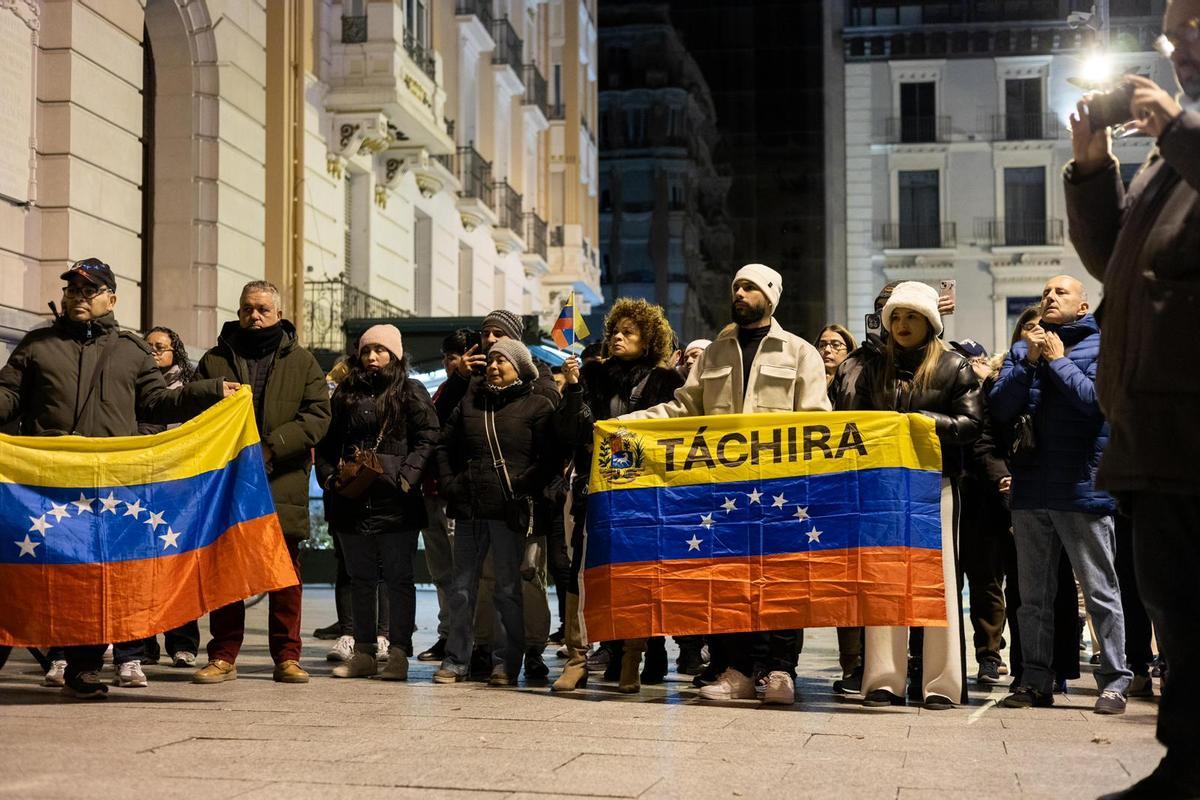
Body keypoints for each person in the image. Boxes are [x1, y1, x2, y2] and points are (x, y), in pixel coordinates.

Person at [1066, 5, 1200, 790]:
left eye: (1195, 19)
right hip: (1151, 422)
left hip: (1190, 418)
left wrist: (1176, 126)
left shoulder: (1183, 135)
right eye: (1171, 25)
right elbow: (1114, 256)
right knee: (1177, 610)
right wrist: (1090, 167)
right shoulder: (1169, 152)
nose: (1176, 37)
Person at [0, 258, 234, 699]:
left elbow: (158, 404)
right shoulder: (37, 345)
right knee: (25, 570)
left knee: (91, 577)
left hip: (105, 486)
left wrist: (209, 392)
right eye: (72, 290)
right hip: (43, 484)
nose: (77, 297)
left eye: (88, 291)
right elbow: (9, 395)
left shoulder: (132, 349)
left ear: (111, 297)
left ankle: (84, 668)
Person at [621, 263, 831, 706]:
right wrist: (626, 425)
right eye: (736, 285)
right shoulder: (715, 352)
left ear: (771, 295)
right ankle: (733, 670)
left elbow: (816, 422)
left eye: (749, 286)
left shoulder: (800, 353)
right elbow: (683, 409)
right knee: (727, 581)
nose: (739, 292)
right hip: (724, 493)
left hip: (780, 491)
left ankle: (779, 671)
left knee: (782, 581)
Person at [988, 276, 1131, 716]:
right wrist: (1030, 362)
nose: (1049, 297)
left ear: (1083, 308)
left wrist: (1056, 362)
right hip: (1032, 490)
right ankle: (1035, 679)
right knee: (1033, 597)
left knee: (1100, 591)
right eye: (1046, 293)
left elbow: (1095, 402)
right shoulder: (1023, 350)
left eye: (1060, 293)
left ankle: (1114, 680)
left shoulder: (1104, 349)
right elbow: (997, 408)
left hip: (1081, 489)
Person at [851, 281, 982, 711]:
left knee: (941, 585)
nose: (902, 325)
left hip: (937, 486)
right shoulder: (874, 368)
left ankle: (941, 685)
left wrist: (923, 421)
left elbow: (970, 426)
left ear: (929, 320)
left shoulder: (954, 366)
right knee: (885, 585)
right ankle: (884, 681)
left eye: (911, 316)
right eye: (896, 317)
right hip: (886, 489)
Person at [193, 281, 331, 685]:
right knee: (227, 572)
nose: (255, 316)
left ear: (278, 313)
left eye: (263, 309)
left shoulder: (303, 362)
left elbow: (318, 416)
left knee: (284, 574)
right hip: (228, 482)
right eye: (248, 309)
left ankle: (287, 657)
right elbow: (195, 410)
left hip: (280, 481)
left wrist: (272, 448)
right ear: (238, 313)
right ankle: (222, 656)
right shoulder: (215, 359)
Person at [553, 297, 686, 692]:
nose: (618, 338)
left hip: (641, 496)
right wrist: (574, 389)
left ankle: (632, 657)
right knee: (580, 573)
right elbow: (571, 432)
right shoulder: (592, 376)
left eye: (629, 333)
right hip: (593, 490)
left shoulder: (666, 383)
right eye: (615, 331)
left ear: (649, 339)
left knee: (637, 575)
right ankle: (577, 658)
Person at [434, 310, 558, 679]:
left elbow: (550, 452)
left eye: (501, 348)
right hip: (470, 504)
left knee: (510, 587)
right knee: (462, 588)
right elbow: (442, 438)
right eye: (487, 339)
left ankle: (514, 657)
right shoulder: (470, 393)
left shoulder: (537, 395)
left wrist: (524, 484)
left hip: (509, 508)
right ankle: (458, 657)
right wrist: (451, 483)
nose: (491, 353)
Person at [315, 325, 439, 680]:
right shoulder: (344, 395)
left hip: (395, 502)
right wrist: (329, 478)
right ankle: (365, 652)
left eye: (380, 351)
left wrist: (405, 476)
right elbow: (325, 444)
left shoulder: (410, 391)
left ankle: (398, 653)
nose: (372, 357)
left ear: (395, 355)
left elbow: (429, 436)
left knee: (399, 579)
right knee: (360, 579)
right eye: (367, 351)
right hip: (351, 500)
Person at [137, 326, 204, 670]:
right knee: (144, 571)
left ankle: (183, 642)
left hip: (179, 493)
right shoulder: (133, 387)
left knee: (179, 571)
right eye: (147, 347)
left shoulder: (189, 391)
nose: (153, 352)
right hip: (142, 490)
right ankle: (144, 643)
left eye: (160, 347)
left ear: (175, 352)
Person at [951, 339, 1012, 686]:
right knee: (948, 581)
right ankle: (947, 657)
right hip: (946, 493)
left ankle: (989, 655)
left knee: (986, 579)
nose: (966, 364)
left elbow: (984, 442)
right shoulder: (943, 389)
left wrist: (999, 481)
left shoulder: (985, 395)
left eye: (972, 358)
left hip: (980, 497)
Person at [416, 329, 478, 663]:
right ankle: (446, 635)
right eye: (446, 357)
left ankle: (467, 640)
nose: (448, 363)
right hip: (432, 493)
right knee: (442, 574)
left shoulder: (479, 388)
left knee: (463, 575)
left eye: (452, 356)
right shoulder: (443, 388)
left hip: (457, 495)